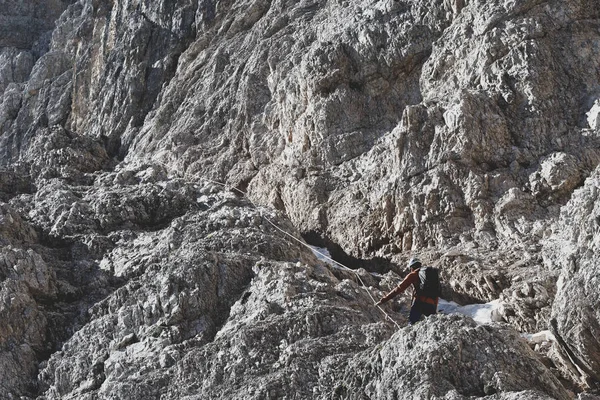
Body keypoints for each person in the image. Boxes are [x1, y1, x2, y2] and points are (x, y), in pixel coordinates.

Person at [375, 257, 439, 324]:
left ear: (411, 267)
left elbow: (398, 289)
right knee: (431, 324)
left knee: (412, 324)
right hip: (432, 304)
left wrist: (383, 300)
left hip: (419, 303)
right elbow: (436, 292)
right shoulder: (430, 275)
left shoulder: (413, 274)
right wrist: (434, 307)